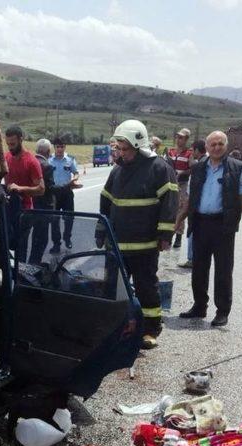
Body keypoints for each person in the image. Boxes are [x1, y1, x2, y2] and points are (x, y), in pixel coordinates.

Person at [100, 119, 178, 349]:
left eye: (126, 149)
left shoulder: (160, 168)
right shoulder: (117, 171)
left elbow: (170, 203)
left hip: (145, 245)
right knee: (116, 289)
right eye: (119, 149)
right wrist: (101, 231)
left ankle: (150, 329)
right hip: (118, 245)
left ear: (139, 145)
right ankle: (118, 328)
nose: (122, 154)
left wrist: (165, 236)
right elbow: (106, 202)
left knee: (146, 288)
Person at [178, 131, 242, 327]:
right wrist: (179, 220)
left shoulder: (237, 168)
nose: (217, 147)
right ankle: (199, 306)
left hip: (223, 225)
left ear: (226, 146)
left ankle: (222, 311)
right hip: (201, 223)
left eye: (220, 143)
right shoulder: (198, 168)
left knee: (223, 270)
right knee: (199, 268)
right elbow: (189, 198)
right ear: (207, 147)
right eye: (213, 144)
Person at [3, 126, 44, 257]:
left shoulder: (31, 162)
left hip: (24, 212)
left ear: (21, 140)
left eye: (13, 144)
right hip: (7, 209)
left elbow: (41, 189)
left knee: (20, 250)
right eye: (8, 144)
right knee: (2, 245)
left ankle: (19, 275)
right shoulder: (6, 157)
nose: (10, 147)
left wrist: (20, 188)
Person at [48, 138, 81, 253]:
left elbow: (76, 172)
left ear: (65, 147)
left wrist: (75, 178)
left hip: (67, 193)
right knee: (54, 220)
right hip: (54, 194)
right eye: (58, 147)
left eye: (62, 147)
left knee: (69, 218)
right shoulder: (49, 160)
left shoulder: (70, 159)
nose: (60, 149)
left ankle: (67, 238)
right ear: (54, 147)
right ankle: (56, 244)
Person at [178, 139, 207, 269]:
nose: (191, 152)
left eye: (192, 149)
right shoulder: (207, 163)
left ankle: (192, 260)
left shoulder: (198, 165)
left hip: (196, 205)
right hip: (202, 205)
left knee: (192, 233)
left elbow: (193, 188)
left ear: (196, 150)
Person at [167, 128, 195, 249]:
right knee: (167, 209)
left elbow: (192, 168)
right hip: (169, 184)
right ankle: (167, 235)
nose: (178, 139)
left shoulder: (189, 154)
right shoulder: (170, 151)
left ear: (186, 139)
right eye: (177, 137)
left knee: (181, 210)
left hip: (182, 185)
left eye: (181, 137)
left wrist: (183, 173)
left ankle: (178, 236)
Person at [29, 138, 56, 263]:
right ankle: (34, 265)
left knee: (29, 239)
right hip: (43, 208)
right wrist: (68, 186)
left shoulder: (30, 161)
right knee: (41, 240)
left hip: (29, 207)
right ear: (48, 151)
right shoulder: (47, 166)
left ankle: (25, 266)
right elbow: (50, 188)